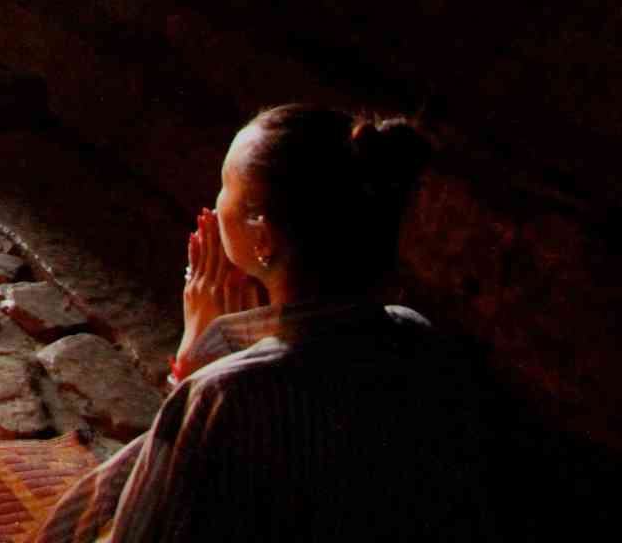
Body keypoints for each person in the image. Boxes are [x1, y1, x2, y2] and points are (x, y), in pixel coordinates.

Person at [31, 104, 502, 542]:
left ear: (261, 235)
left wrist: (195, 368)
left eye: (225, 188)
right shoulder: (417, 335)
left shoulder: (228, 394)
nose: (214, 206)